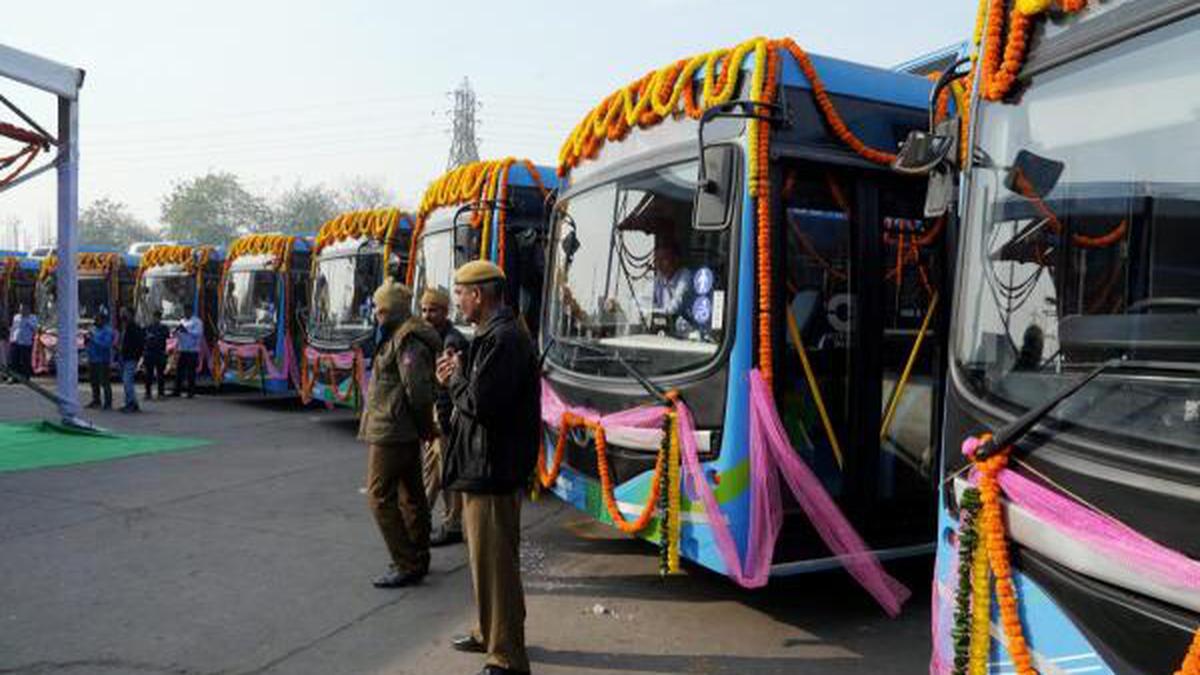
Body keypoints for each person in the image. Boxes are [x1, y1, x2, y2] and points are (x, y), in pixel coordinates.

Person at [438, 260, 539, 675]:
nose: (457, 301)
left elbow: (482, 403)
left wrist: (454, 381)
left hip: (494, 469)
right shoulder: (488, 335)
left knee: (497, 566)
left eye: (460, 293)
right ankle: (488, 633)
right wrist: (459, 378)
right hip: (481, 466)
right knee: (484, 561)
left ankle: (508, 657)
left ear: (478, 294)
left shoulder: (505, 339)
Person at [358, 280, 441, 589]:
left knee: (379, 497)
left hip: (393, 431)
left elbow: (418, 391)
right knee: (411, 495)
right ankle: (418, 556)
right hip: (399, 429)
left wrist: (425, 428)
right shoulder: (398, 334)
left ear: (391, 311)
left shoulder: (408, 341)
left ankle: (406, 562)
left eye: (380, 311)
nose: (377, 317)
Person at [419, 286, 469, 547]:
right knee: (441, 470)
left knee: (438, 471)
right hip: (437, 415)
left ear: (446, 311)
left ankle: (429, 521)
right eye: (424, 309)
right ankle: (450, 522)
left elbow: (447, 386)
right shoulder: (431, 337)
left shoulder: (451, 341)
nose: (427, 315)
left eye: (433, 310)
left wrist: (440, 422)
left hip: (446, 417)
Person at [652, 235, 693, 325]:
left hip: (684, 329)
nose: (658, 264)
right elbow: (645, 298)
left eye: (663, 259)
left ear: (675, 259)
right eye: (657, 259)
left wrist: (654, 312)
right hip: (663, 327)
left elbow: (675, 305)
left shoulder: (685, 275)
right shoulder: (659, 277)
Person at [85, 312, 115, 410]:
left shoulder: (108, 331)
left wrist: (93, 339)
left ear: (103, 320)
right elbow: (89, 343)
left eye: (97, 320)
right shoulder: (94, 330)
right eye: (95, 320)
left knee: (104, 382)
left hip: (102, 360)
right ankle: (96, 400)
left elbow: (106, 345)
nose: (95, 322)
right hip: (92, 359)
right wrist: (87, 341)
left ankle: (108, 402)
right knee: (94, 381)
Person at [172, 305, 203, 398]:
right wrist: (176, 332)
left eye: (187, 311)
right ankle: (177, 391)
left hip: (192, 350)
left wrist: (186, 331)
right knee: (179, 371)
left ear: (191, 311)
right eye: (184, 311)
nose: (185, 313)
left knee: (191, 372)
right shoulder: (182, 321)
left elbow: (198, 334)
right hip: (182, 349)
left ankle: (191, 392)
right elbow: (179, 334)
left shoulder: (197, 321)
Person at [118, 308, 145, 412]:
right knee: (127, 381)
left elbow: (139, 344)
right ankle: (131, 402)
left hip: (131, 358)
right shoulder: (125, 327)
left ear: (131, 315)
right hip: (123, 357)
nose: (123, 315)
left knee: (127, 381)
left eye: (125, 313)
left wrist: (136, 356)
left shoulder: (134, 327)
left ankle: (131, 404)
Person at [143, 310, 169, 399]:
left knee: (160, 374)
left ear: (160, 318)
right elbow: (145, 337)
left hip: (160, 353)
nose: (156, 319)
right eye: (154, 317)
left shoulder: (164, 328)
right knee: (148, 375)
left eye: (157, 317)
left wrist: (154, 336)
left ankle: (161, 393)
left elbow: (165, 336)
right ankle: (148, 393)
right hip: (149, 353)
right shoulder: (148, 327)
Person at [7, 303, 36, 382]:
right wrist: (11, 337)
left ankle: (26, 377)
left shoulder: (33, 317)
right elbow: (14, 327)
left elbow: (35, 328)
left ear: (28, 310)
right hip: (15, 340)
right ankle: (13, 377)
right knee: (14, 360)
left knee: (25, 361)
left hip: (26, 342)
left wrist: (27, 320)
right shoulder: (16, 317)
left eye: (23, 309)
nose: (21, 311)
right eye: (20, 309)